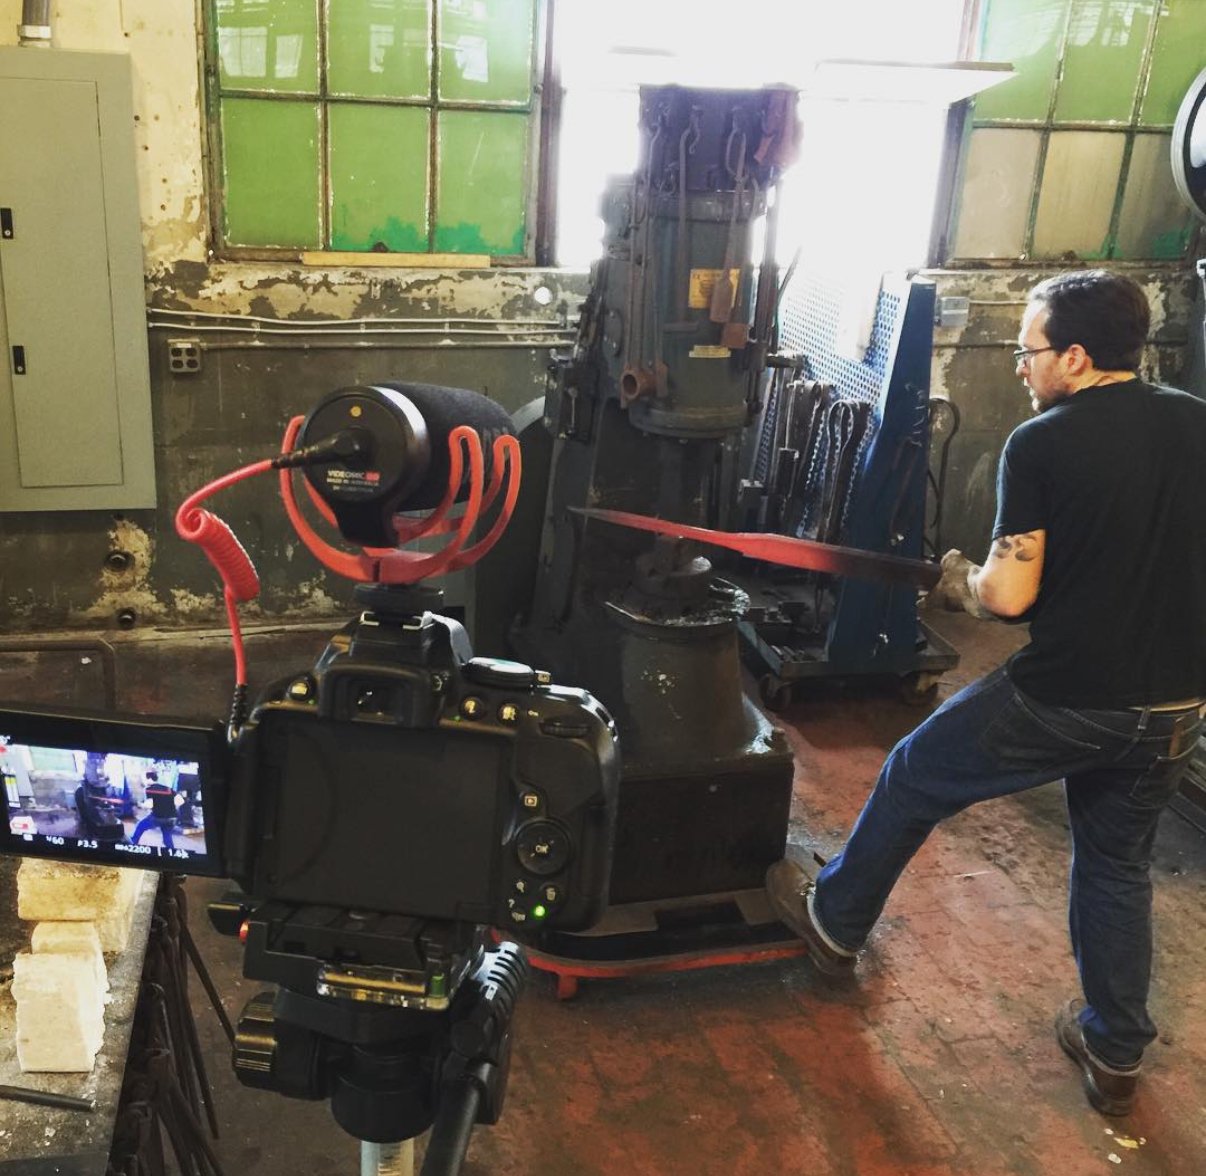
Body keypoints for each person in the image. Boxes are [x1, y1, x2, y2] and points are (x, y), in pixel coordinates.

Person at [767, 269, 1206, 1118]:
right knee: (1116, 862)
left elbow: (1008, 597)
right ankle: (1115, 1047)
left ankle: (834, 922)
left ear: (1075, 357)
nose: (1019, 366)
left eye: (1028, 350)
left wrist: (962, 580)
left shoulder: (1042, 443)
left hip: (1070, 694)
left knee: (913, 773)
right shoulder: (1197, 420)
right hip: (1177, 704)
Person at [129, 770, 183, 850]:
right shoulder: (168, 788)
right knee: (167, 837)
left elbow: (149, 805)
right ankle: (172, 852)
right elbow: (181, 801)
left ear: (149, 779)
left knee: (140, 826)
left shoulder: (149, 789)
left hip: (158, 817)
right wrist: (169, 807)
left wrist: (140, 804)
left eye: (144, 779)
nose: (143, 781)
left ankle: (132, 844)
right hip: (172, 817)